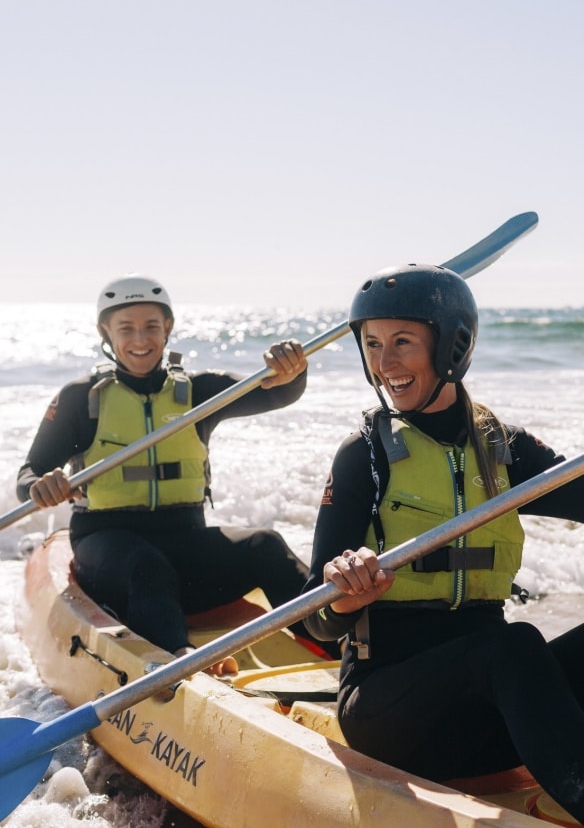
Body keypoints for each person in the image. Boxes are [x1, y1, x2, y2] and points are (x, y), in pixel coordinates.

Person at [303, 262, 584, 823]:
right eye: (373, 344)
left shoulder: (508, 449)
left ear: (454, 344)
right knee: (513, 646)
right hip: (387, 713)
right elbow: (311, 617)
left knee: (513, 651)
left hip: (485, 720)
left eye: (402, 342)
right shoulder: (365, 456)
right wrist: (343, 596)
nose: (385, 364)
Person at [17, 273, 339, 675]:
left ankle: (339, 642)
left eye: (152, 326)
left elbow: (278, 392)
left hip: (185, 544)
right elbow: (29, 474)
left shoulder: (201, 392)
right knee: (145, 564)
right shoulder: (80, 399)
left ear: (167, 328)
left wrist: (293, 371)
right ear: (106, 332)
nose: (141, 339)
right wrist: (40, 486)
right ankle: (182, 662)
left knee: (265, 544)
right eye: (126, 328)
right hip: (108, 546)